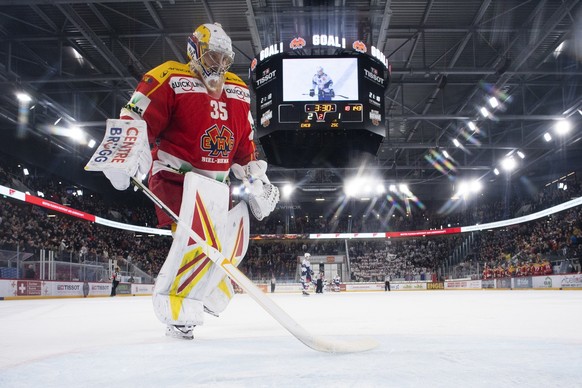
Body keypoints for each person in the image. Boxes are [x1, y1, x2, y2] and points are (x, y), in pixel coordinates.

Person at [100, 23, 279, 340]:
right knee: (198, 242)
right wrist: (124, 152)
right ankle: (177, 307)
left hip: (216, 187)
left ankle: (208, 295)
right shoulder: (168, 77)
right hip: (176, 179)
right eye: (213, 57)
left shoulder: (238, 90)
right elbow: (134, 117)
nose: (219, 66)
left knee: (226, 248)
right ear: (194, 52)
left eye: (225, 59)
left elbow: (244, 148)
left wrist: (255, 177)